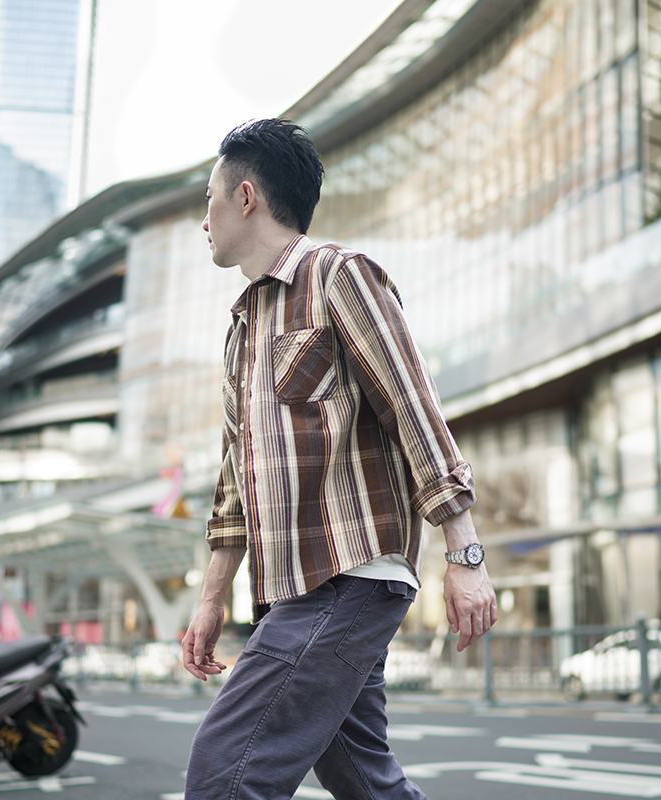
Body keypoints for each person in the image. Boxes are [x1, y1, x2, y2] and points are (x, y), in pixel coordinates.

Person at [182, 118, 497, 800]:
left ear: (244, 197)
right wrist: (212, 599)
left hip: (351, 577)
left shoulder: (338, 276)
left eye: (207, 200)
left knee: (224, 772)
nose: (201, 219)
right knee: (363, 780)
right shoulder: (242, 327)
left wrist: (464, 557)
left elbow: (414, 407)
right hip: (288, 592)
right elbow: (236, 480)